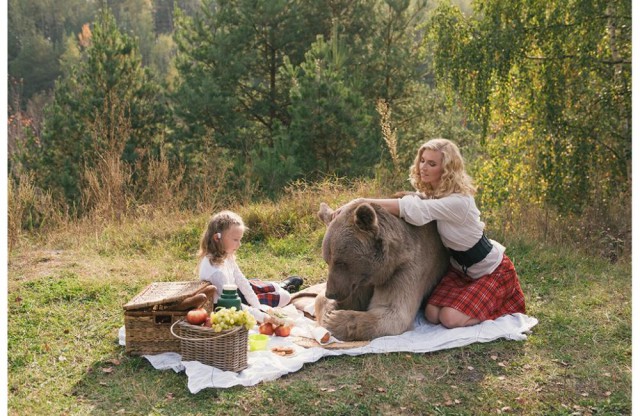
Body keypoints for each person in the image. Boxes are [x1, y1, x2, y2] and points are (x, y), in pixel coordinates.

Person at [334, 138, 525, 328]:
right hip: (459, 271)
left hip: (489, 271)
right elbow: (416, 201)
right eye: (422, 160)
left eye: (432, 164)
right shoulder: (436, 194)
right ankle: (471, 307)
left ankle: (496, 308)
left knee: (449, 319)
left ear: (447, 169)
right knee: (432, 314)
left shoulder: (459, 202)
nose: (423, 167)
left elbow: (415, 210)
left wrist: (359, 202)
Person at [197, 210, 304, 322]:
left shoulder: (226, 254)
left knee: (269, 287)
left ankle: (279, 285)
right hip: (231, 304)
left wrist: (258, 306)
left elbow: (241, 280)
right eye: (235, 240)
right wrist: (262, 316)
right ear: (217, 238)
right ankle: (283, 287)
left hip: (236, 290)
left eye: (240, 239)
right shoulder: (216, 273)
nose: (239, 244)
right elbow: (233, 305)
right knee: (285, 297)